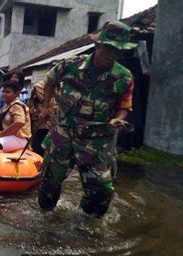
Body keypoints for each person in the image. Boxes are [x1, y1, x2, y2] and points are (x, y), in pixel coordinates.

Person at [37, 21, 136, 218]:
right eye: (108, 48)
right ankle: (45, 218)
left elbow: (124, 107)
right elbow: (51, 80)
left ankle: (85, 223)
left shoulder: (124, 77)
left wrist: (118, 120)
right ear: (98, 45)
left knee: (101, 189)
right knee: (50, 180)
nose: (112, 55)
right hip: (64, 133)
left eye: (118, 51)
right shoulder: (71, 65)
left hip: (96, 139)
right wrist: (46, 107)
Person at [0, 80, 31, 152]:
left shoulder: (17, 106)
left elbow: (20, 122)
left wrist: (1, 134)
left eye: (8, 92)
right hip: (12, 137)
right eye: (3, 91)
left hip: (19, 138)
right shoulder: (9, 105)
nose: (4, 94)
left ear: (17, 94)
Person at [27, 80, 57, 156]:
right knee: (39, 145)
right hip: (41, 120)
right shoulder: (39, 87)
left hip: (53, 122)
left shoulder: (60, 85)